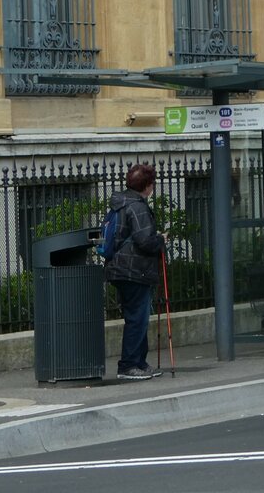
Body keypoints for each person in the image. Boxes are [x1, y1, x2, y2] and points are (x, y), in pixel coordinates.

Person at [103, 163, 166, 381]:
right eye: (152, 184)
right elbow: (144, 240)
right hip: (134, 269)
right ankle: (129, 365)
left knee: (137, 316)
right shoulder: (137, 206)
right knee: (137, 319)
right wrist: (160, 240)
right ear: (148, 186)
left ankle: (139, 362)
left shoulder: (120, 203)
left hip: (120, 267)